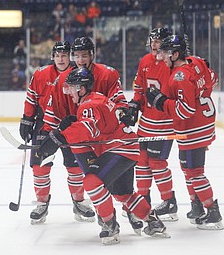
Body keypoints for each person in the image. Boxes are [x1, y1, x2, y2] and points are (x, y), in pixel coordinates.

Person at [37, 67, 170, 244]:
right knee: (123, 193)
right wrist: (69, 126)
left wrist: (61, 137)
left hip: (120, 149)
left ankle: (110, 225)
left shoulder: (89, 105)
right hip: (126, 148)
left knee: (92, 182)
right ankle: (154, 223)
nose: (69, 92)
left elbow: (88, 128)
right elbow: (96, 126)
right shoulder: (95, 98)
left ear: (82, 89)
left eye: (72, 87)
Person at [41, 36, 142, 232]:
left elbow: (118, 100)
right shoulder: (63, 79)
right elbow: (55, 109)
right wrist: (50, 133)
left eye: (84, 55)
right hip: (81, 140)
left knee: (120, 182)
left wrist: (126, 111)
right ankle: (106, 217)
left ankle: (130, 209)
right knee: (94, 179)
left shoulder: (107, 74)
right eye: (76, 56)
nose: (80, 60)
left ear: (92, 55)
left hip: (109, 139)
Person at [146, 35, 224, 230]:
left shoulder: (179, 76)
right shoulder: (196, 62)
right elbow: (212, 78)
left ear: (176, 54)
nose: (161, 56)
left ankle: (212, 212)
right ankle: (196, 205)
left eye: (165, 52)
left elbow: (185, 111)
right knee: (188, 168)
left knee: (194, 172)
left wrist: (161, 102)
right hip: (203, 125)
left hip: (192, 130)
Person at [19, 41, 96, 225]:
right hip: (45, 123)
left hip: (71, 126)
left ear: (69, 57)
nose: (61, 59)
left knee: (75, 166)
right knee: (40, 166)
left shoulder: (77, 75)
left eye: (64, 55)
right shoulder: (41, 73)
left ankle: (79, 202)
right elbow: (31, 97)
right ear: (52, 56)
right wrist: (27, 119)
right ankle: (41, 204)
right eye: (57, 55)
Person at [126, 27, 178, 221]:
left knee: (157, 163)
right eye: (153, 41)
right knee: (141, 162)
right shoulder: (145, 61)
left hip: (165, 122)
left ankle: (169, 201)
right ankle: (143, 200)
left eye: (159, 41)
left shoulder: (172, 64)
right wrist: (134, 104)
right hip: (146, 122)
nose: (155, 45)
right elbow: (139, 88)